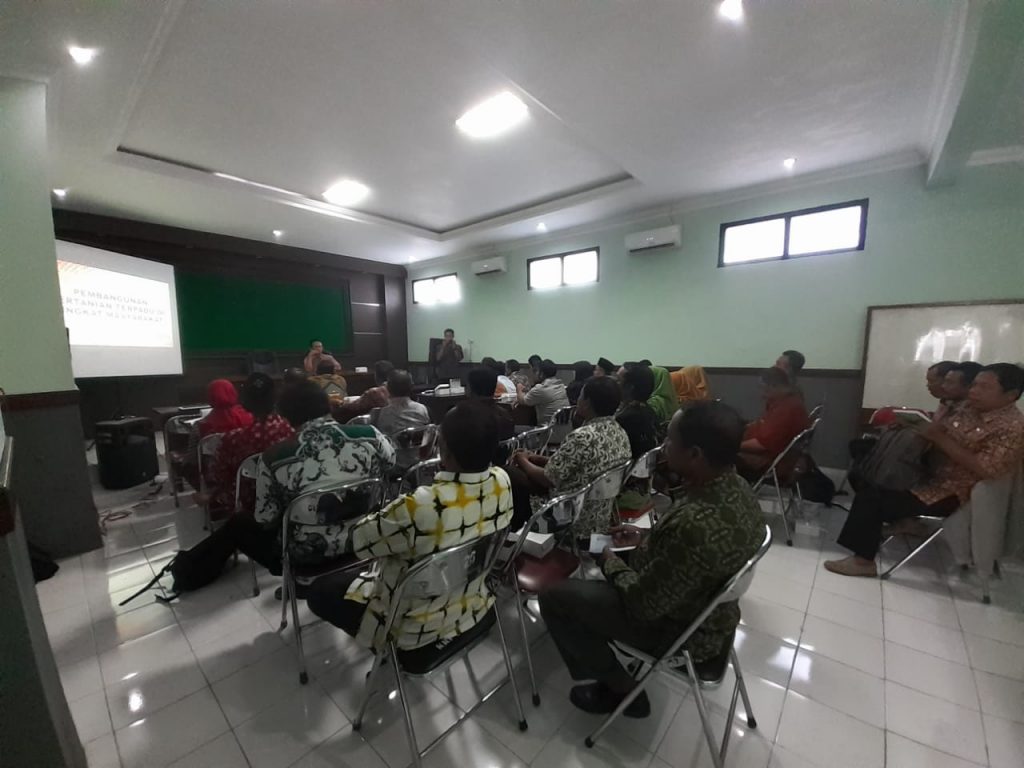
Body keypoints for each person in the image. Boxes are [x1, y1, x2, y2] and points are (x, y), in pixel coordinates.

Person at [538, 401, 765, 717]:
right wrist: (645, 538)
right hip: (711, 610)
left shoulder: (696, 524)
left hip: (681, 630)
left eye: (670, 440)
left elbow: (643, 605)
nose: (664, 445)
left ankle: (621, 690)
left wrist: (608, 560)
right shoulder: (736, 486)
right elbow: (688, 555)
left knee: (554, 597)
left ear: (695, 454)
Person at [306, 401, 513, 656]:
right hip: (473, 604)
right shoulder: (502, 480)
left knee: (320, 590)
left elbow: (359, 540)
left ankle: (384, 651)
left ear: (443, 448)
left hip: (413, 628)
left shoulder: (421, 504)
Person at [825, 363, 1024, 577]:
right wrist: (914, 426)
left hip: (954, 492)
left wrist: (938, 438)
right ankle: (904, 523)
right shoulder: (969, 408)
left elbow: (987, 469)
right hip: (931, 474)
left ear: (1011, 395)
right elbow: (941, 430)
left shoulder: (1012, 428)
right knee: (872, 475)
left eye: (984, 387)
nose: (974, 391)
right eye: (974, 385)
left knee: (872, 497)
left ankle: (863, 562)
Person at [192, 381, 396, 581]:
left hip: (309, 555)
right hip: (370, 537)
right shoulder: (370, 435)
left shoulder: (273, 458)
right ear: (327, 405)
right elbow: (391, 462)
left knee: (241, 523)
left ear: (285, 415)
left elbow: (265, 518)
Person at [511, 376, 631, 535]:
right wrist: (537, 458)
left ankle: (518, 537)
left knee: (513, 476)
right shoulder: (620, 432)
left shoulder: (582, 437)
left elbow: (547, 479)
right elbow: (578, 466)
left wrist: (522, 459)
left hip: (568, 515)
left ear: (587, 402)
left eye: (581, 396)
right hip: (602, 514)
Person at [203, 373, 294, 512]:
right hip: (289, 496)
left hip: (248, 503)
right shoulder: (292, 431)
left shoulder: (233, 439)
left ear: (244, 401)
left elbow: (218, 476)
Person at [735, 367, 810, 481]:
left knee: (718, 452)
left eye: (763, 388)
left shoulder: (786, 409)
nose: (762, 394)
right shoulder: (787, 402)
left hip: (772, 462)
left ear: (773, 386)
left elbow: (762, 445)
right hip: (775, 456)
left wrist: (732, 445)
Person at [615, 365, 661, 516]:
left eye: (618, 380)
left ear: (630, 387)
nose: (615, 384)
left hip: (624, 493)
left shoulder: (626, 418)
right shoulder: (649, 411)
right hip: (645, 488)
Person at [376, 369, 431, 471]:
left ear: (388, 388)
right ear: (411, 387)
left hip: (392, 464)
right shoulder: (422, 409)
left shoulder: (380, 413)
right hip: (420, 462)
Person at [468, 366, 516, 465]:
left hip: (469, 468)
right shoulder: (505, 415)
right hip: (500, 467)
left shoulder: (461, 416)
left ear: (470, 390)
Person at [517, 358, 569, 424]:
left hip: (546, 430)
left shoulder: (541, 388)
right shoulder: (560, 385)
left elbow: (522, 401)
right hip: (563, 429)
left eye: (536, 371)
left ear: (541, 373)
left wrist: (519, 388)